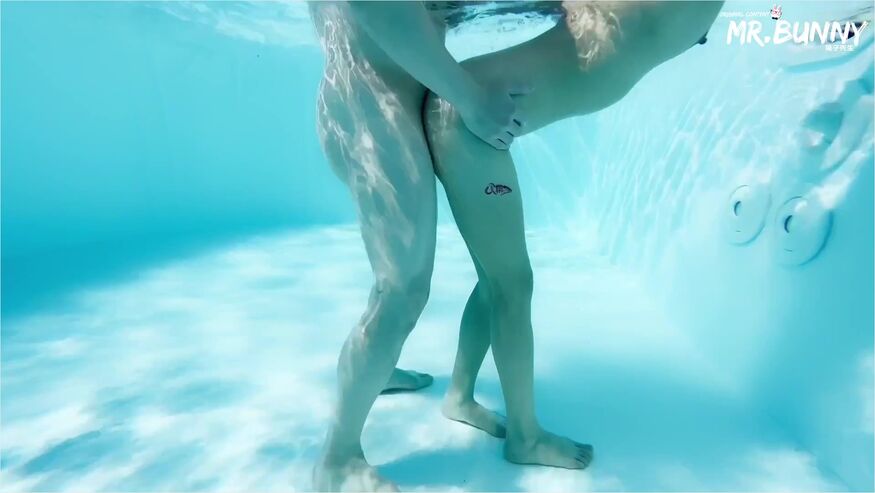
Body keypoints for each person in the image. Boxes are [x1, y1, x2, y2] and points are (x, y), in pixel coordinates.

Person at [310, 2, 723, 491]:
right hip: (373, 110)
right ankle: (337, 458)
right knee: (402, 290)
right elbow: (376, 10)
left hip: (395, 99)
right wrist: (470, 98)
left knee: (455, 283)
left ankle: (387, 372)